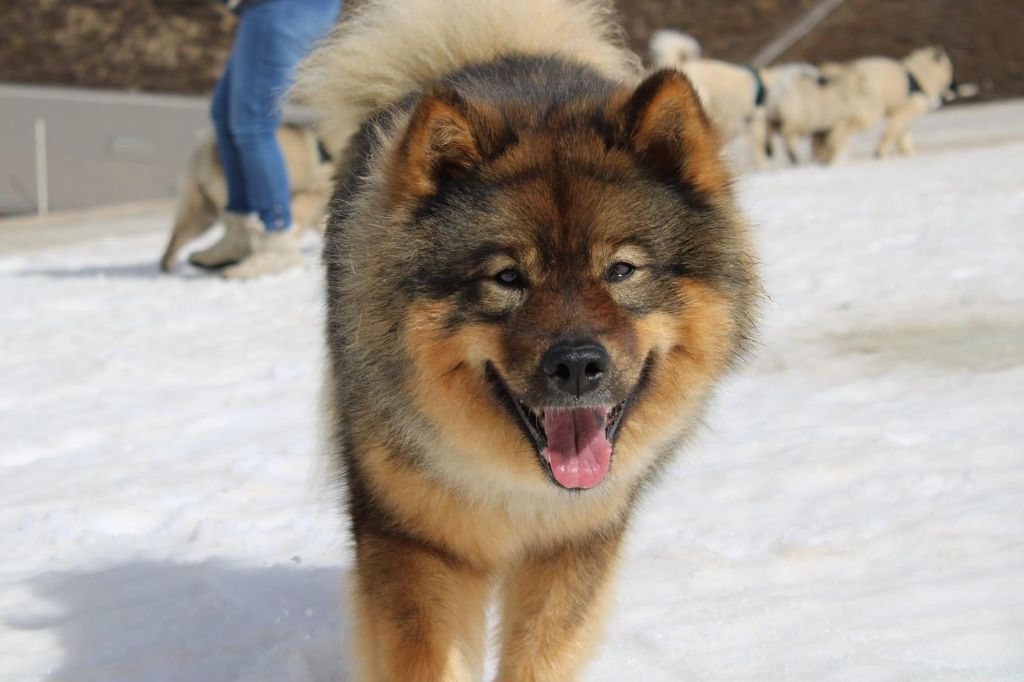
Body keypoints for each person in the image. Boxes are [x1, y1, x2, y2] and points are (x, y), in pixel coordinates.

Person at [190, 0, 341, 278]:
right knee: (224, 115)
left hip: (283, 8)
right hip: (264, 9)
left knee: (253, 125)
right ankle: (240, 230)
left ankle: (279, 239)